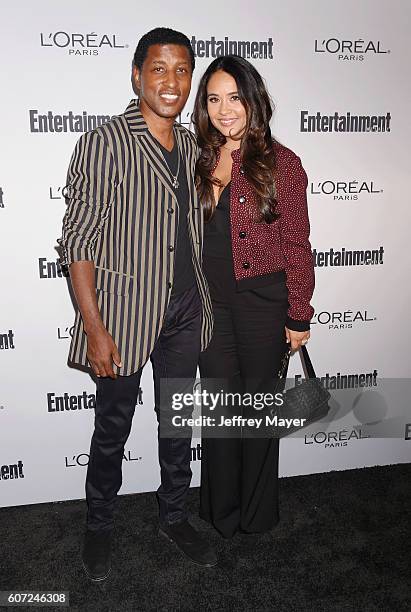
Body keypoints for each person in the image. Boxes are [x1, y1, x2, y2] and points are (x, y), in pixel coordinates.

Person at [58, 27, 216, 581]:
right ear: (136, 75)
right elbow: (78, 241)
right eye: (158, 68)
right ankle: (98, 526)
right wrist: (95, 328)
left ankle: (173, 516)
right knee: (112, 430)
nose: (171, 82)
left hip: (184, 315)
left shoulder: (196, 147)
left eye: (181, 70)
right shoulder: (107, 142)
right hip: (123, 318)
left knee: (177, 426)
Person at [192, 55, 315, 538]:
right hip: (212, 306)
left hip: (265, 303)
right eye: (214, 99)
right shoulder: (197, 156)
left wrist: (299, 313)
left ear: (254, 100)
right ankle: (221, 513)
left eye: (235, 97)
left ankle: (258, 514)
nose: (225, 109)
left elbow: (297, 243)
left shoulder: (283, 162)